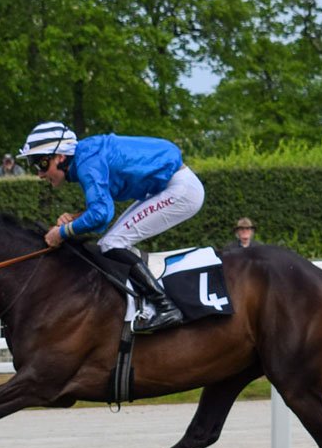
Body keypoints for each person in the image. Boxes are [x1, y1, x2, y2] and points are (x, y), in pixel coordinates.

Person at [17, 121, 204, 333]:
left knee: (113, 243)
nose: (40, 174)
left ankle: (166, 307)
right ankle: (147, 301)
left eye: (41, 164)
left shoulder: (87, 163)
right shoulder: (85, 156)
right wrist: (77, 218)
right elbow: (102, 211)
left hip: (180, 191)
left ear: (60, 156)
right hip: (170, 186)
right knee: (110, 242)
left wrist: (61, 233)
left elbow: (101, 215)